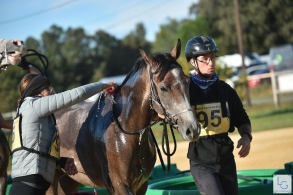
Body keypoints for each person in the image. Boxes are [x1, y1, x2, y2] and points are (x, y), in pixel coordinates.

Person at [9, 73, 118, 195]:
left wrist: (61, 162)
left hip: (29, 186)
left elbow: (32, 151)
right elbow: (76, 95)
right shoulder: (34, 105)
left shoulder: (28, 110)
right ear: (39, 92)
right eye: (49, 89)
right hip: (29, 186)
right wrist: (103, 85)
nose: (54, 93)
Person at [184, 35, 252, 195]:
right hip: (201, 163)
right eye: (204, 59)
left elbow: (241, 117)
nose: (211, 63)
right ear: (193, 62)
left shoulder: (225, 90)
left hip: (226, 159)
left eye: (213, 57)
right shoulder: (185, 91)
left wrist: (247, 136)